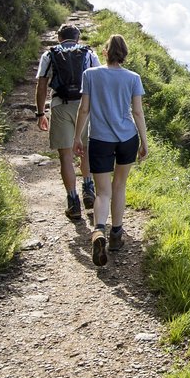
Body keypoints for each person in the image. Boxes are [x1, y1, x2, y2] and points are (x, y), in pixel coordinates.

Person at [73, 34, 148, 266]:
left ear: (105, 52)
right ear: (124, 54)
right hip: (127, 138)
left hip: (100, 139)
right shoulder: (133, 78)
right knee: (120, 186)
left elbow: (84, 109)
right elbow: (137, 112)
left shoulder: (90, 75)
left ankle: (98, 231)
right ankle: (116, 235)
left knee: (103, 191)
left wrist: (77, 137)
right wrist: (144, 141)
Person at [35, 24, 100, 222]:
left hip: (60, 105)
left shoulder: (49, 55)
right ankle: (89, 188)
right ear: (78, 38)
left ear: (58, 37)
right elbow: (98, 80)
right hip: (86, 106)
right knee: (86, 149)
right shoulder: (89, 54)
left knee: (65, 155)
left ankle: (73, 202)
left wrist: (40, 113)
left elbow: (42, 85)